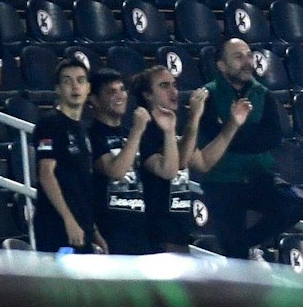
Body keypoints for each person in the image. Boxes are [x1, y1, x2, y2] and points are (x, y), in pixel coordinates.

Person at [189, 37, 301, 261]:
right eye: (238, 57)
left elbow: (271, 138)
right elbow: (207, 140)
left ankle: (248, 242)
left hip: (260, 177)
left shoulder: (263, 93)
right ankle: (240, 251)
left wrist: (231, 134)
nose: (247, 61)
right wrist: (245, 133)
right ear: (221, 65)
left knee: (297, 202)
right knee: (234, 255)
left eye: (249, 55)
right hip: (222, 182)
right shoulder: (207, 96)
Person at [98, 67, 191, 255]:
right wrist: (151, 130)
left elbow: (190, 164)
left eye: (174, 85)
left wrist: (183, 124)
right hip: (152, 231)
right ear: (147, 95)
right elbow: (169, 170)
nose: (174, 91)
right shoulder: (142, 132)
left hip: (163, 232)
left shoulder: (163, 128)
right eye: (165, 86)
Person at [34, 58, 100, 253]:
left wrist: (94, 230)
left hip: (82, 225)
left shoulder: (83, 129)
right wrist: (68, 220)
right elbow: (46, 174)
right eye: (67, 81)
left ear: (88, 88)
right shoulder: (50, 124)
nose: (75, 86)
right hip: (57, 226)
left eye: (80, 80)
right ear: (57, 88)